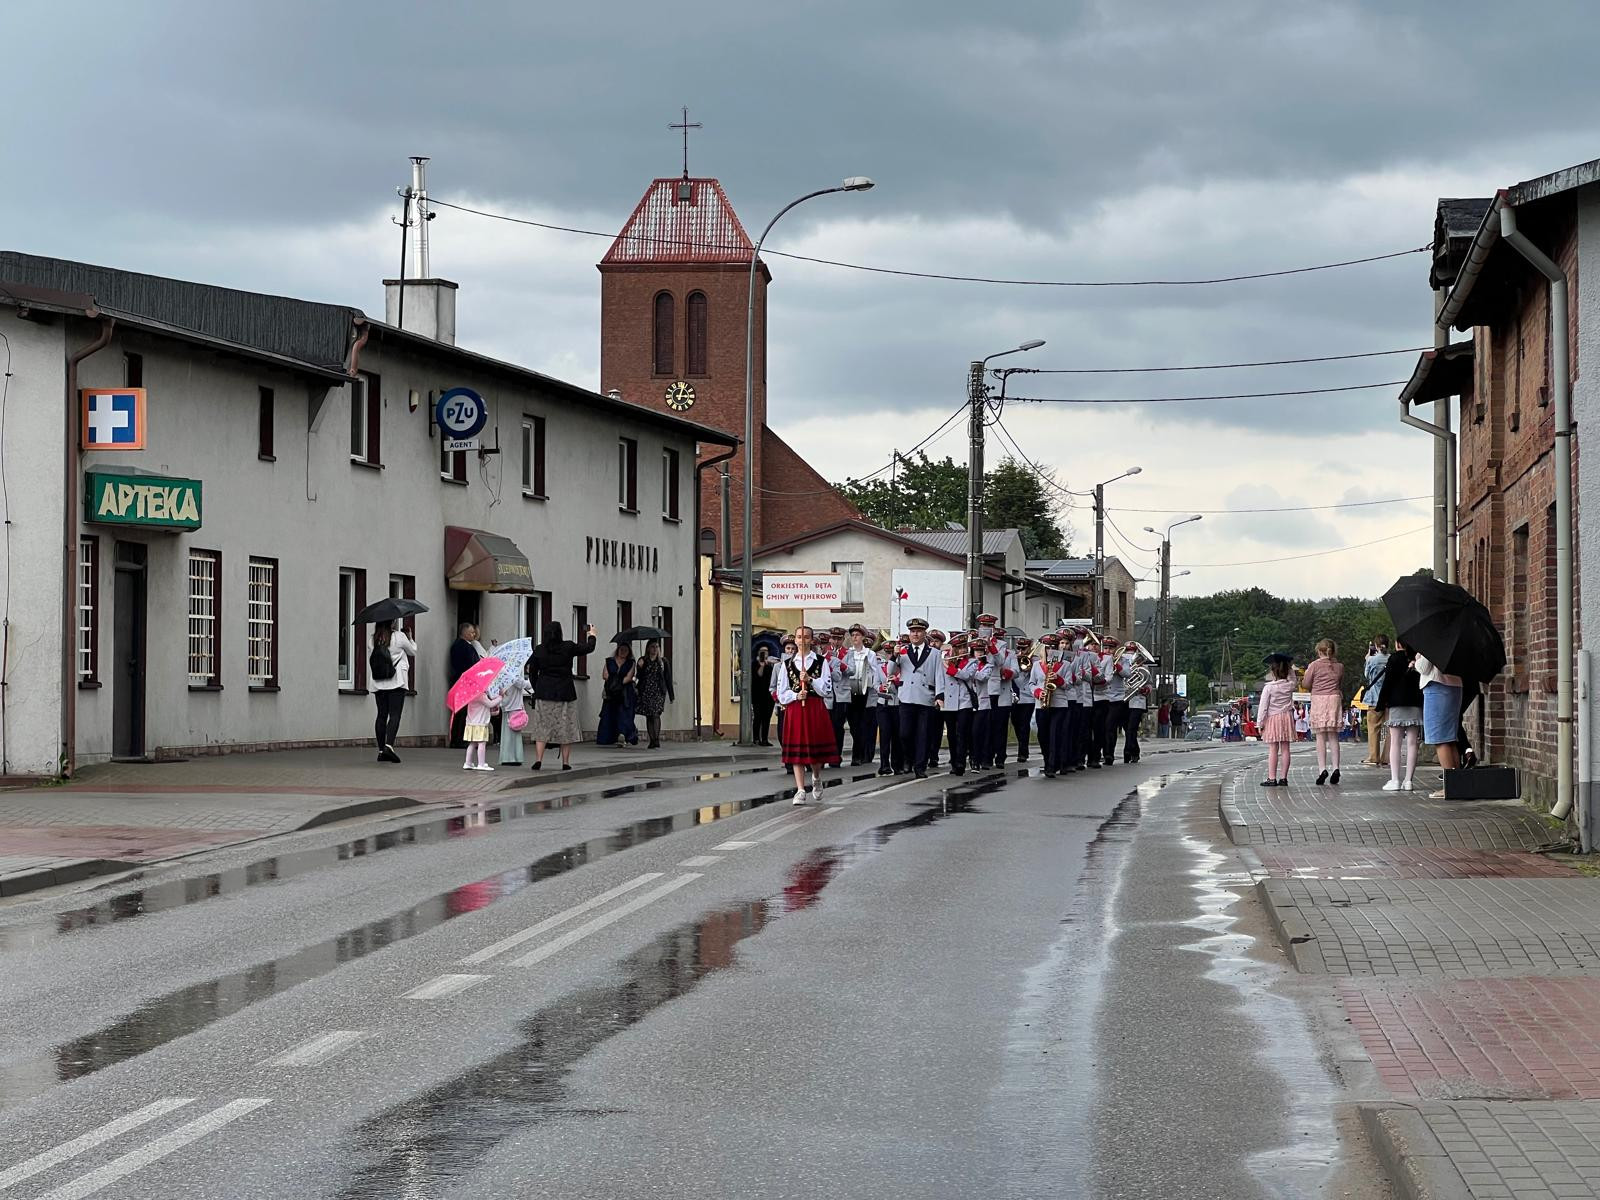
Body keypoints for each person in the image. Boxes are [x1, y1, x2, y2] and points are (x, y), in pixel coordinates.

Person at [774, 625, 835, 804]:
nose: (802, 640)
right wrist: (795, 695)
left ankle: (816, 776)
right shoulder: (787, 664)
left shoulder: (821, 662)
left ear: (811, 640)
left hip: (814, 708)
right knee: (797, 752)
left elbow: (826, 689)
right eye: (799, 637)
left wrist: (810, 680)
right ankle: (800, 789)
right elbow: (781, 692)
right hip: (795, 710)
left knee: (815, 751)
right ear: (795, 640)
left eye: (806, 637)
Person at [527, 620, 597, 771]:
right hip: (565, 692)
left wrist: (537, 688)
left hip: (544, 693)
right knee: (566, 728)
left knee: (542, 727)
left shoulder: (539, 649)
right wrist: (592, 635)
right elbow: (589, 648)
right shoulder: (568, 647)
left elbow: (532, 672)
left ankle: (538, 760)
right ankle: (565, 762)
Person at [895, 617, 942, 779]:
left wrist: (939, 695)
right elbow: (891, 671)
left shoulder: (934, 653)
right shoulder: (902, 651)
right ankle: (908, 758)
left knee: (923, 735)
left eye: (918, 631)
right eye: (912, 631)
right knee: (904, 733)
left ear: (924, 633)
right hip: (907, 696)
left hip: (925, 697)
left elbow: (939, 675)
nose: (915, 634)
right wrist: (894, 656)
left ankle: (920, 766)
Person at [1415, 650, 1465, 799]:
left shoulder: (1432, 641)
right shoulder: (1454, 640)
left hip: (1436, 686)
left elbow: (1424, 667)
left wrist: (1417, 658)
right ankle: (1458, 784)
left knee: (1440, 739)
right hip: (1455, 685)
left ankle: (1450, 787)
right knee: (1450, 738)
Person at [1377, 637, 1424, 792]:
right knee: (1413, 743)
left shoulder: (1394, 659)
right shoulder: (1417, 658)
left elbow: (1387, 683)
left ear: (1398, 644)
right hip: (1415, 703)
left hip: (1396, 703)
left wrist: (1381, 703)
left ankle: (1395, 779)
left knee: (1395, 743)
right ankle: (1408, 781)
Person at [370, 621, 417, 763]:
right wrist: (410, 638)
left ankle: (381, 751)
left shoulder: (373, 639)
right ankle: (388, 746)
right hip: (396, 681)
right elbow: (412, 651)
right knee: (395, 714)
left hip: (379, 681)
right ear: (392, 622)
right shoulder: (399, 636)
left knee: (381, 715)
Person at [941, 632, 987, 776]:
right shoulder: (945, 660)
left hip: (964, 702)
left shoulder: (972, 662)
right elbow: (939, 679)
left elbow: (966, 675)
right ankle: (954, 762)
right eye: (959, 648)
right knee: (951, 735)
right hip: (949, 702)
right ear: (954, 649)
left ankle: (960, 762)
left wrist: (950, 668)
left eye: (964, 647)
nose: (962, 650)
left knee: (962, 733)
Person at [1302, 639, 1346, 785]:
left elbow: (1306, 684)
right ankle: (1336, 768)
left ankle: (1322, 769)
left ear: (1319, 651)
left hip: (1319, 699)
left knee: (1320, 736)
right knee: (1333, 736)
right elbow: (1339, 683)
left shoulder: (1314, 665)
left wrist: (1307, 674)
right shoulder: (1339, 666)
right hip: (1334, 699)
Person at [1256, 654, 1296, 786]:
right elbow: (1294, 679)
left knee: (1273, 748)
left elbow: (1263, 707)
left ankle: (1272, 778)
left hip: (1273, 718)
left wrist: (1260, 723)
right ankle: (1283, 778)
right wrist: (1289, 668)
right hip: (1286, 717)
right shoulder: (1290, 685)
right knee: (1285, 748)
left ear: (1273, 672)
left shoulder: (1269, 687)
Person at [842, 625, 879, 765]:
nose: (855, 637)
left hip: (864, 692)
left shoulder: (870, 654)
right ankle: (859, 753)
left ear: (863, 637)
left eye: (857, 635)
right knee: (853, 725)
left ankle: (858, 755)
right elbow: (844, 671)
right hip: (851, 691)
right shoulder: (848, 653)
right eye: (853, 635)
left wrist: (868, 679)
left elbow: (874, 672)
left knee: (863, 724)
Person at [596, 641, 639, 747]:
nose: (623, 652)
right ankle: (607, 737)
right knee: (608, 713)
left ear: (629, 652)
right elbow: (605, 675)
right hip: (611, 691)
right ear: (618, 650)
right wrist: (614, 684)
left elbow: (629, 677)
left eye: (626, 650)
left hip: (625, 692)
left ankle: (623, 735)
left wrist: (618, 683)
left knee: (624, 714)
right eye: (621, 649)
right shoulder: (609, 661)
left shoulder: (631, 663)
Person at [636, 639, 675, 750]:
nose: (655, 649)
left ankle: (656, 739)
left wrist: (671, 695)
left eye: (657, 647)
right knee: (649, 715)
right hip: (646, 691)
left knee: (656, 714)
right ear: (648, 648)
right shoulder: (643, 660)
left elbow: (668, 678)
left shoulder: (663, 662)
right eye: (652, 647)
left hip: (658, 692)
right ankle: (652, 740)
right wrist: (639, 667)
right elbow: (639, 676)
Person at [447, 622, 481, 749]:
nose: (474, 634)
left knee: (461, 712)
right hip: (463, 682)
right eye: (471, 632)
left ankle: (457, 739)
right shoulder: (463, 646)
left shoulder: (461, 645)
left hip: (461, 681)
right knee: (461, 712)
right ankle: (459, 739)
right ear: (464, 633)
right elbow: (471, 665)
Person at [873, 638, 904, 776]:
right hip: (883, 704)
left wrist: (896, 682)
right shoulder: (879, 666)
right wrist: (880, 687)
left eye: (892, 652)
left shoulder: (902, 667)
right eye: (888, 652)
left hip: (897, 704)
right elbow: (875, 684)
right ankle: (884, 765)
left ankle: (897, 765)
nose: (890, 655)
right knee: (885, 735)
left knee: (897, 736)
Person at [1360, 635, 1391, 767]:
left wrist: (1367, 659)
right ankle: (1387, 757)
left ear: (1376, 646)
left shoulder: (1372, 660)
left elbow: (1367, 675)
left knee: (1373, 728)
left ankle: (1374, 756)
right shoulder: (1391, 659)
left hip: (1374, 698)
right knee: (1391, 729)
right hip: (1389, 698)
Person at [1010, 636, 1037, 764]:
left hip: (1028, 697)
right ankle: (1022, 745)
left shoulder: (1035, 659)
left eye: (1024, 649)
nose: (1021, 651)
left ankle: (1023, 751)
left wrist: (1030, 663)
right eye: (1019, 648)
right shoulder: (1014, 658)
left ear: (1029, 648)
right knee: (1015, 722)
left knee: (1024, 723)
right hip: (1015, 696)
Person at [461, 687, 499, 772]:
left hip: (471, 723)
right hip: (480, 724)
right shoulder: (481, 695)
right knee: (482, 743)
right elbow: (490, 704)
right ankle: (481, 764)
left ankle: (468, 763)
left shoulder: (471, 695)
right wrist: (499, 698)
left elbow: (482, 708)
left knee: (472, 743)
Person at [1123, 646, 1150, 764]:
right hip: (1124, 701)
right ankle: (1134, 751)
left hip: (1138, 701)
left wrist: (1146, 689)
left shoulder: (1144, 669)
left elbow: (1149, 683)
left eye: (1133, 653)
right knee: (1127, 728)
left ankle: (1128, 752)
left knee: (1132, 728)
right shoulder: (1123, 665)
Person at [496, 668, 527, 767]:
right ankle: (513, 757)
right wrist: (529, 683)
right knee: (514, 733)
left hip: (507, 703)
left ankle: (507, 756)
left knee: (507, 732)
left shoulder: (502, 670)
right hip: (514, 704)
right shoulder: (512, 671)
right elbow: (521, 683)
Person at [752, 645, 776, 747]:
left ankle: (765, 739)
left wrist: (771, 663)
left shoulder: (770, 665)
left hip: (768, 696)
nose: (764, 653)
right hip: (757, 695)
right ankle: (756, 738)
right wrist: (762, 665)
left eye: (766, 651)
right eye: (762, 651)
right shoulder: (754, 664)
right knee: (758, 717)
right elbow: (758, 675)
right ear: (758, 652)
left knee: (767, 718)